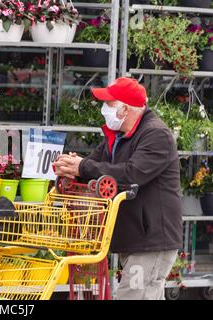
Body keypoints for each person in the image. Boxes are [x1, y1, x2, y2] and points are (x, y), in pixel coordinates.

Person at [53, 77, 183, 300]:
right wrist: (71, 168)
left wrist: (82, 166)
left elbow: (132, 174)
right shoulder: (117, 136)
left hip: (151, 238)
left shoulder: (156, 134)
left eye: (109, 105)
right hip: (137, 237)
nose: (104, 109)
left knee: (132, 295)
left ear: (124, 109)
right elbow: (92, 168)